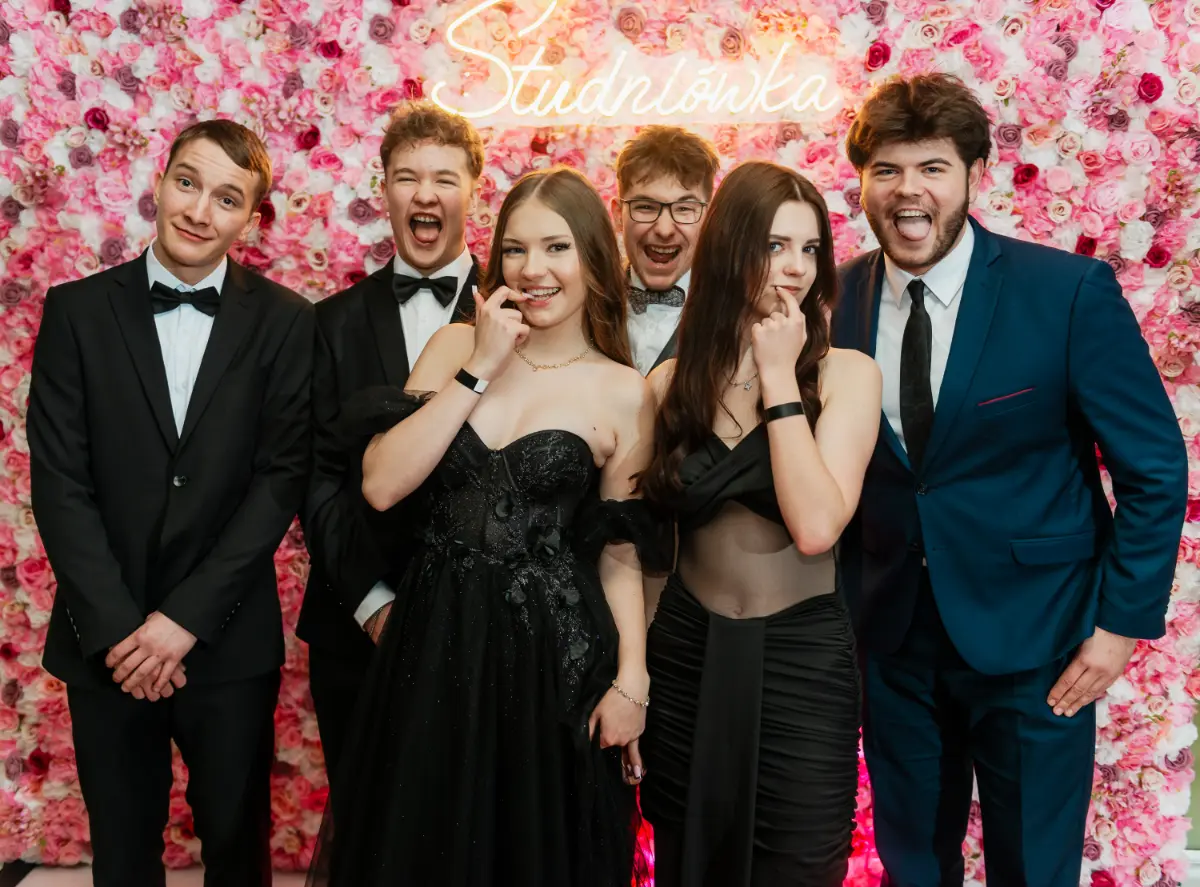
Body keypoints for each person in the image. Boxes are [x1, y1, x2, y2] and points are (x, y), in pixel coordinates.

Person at [831, 73, 1188, 886]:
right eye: (887, 170)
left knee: (1032, 869)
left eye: (932, 167)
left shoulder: (1065, 292)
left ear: (976, 174)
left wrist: (1119, 625)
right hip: (892, 643)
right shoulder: (837, 298)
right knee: (912, 867)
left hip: (1041, 645)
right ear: (862, 182)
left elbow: (1155, 467)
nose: (908, 190)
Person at [306, 166, 665, 887]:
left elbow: (622, 554)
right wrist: (479, 368)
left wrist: (633, 679)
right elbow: (381, 484)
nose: (533, 269)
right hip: (433, 640)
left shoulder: (623, 390)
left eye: (556, 248)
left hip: (552, 658)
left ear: (595, 259)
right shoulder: (453, 348)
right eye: (516, 249)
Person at [28, 120, 313, 887]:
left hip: (226, 637)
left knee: (237, 846)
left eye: (227, 197)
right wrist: (123, 630)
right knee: (122, 852)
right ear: (159, 183)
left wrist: (183, 620)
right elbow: (60, 481)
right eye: (188, 182)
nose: (198, 210)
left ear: (250, 218)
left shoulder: (288, 321)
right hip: (106, 641)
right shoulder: (76, 311)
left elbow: (279, 479)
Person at [638, 161, 882, 886]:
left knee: (798, 861)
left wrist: (779, 379)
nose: (797, 268)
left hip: (800, 660)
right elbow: (648, 549)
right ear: (732, 248)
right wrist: (632, 677)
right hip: (684, 652)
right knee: (685, 857)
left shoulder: (848, 375)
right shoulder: (669, 383)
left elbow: (816, 525)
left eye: (810, 249)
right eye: (776, 246)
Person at [297, 100, 483, 785]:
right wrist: (372, 603)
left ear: (474, 190)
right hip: (355, 630)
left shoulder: (521, 311)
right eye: (408, 177)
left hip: (487, 630)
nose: (425, 194)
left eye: (444, 178)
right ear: (384, 191)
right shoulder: (329, 323)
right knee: (362, 822)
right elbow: (315, 478)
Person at [611, 126, 719, 376]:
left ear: (709, 217)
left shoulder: (735, 313)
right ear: (618, 215)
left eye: (684, 209)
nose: (664, 229)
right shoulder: (587, 304)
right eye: (646, 207)